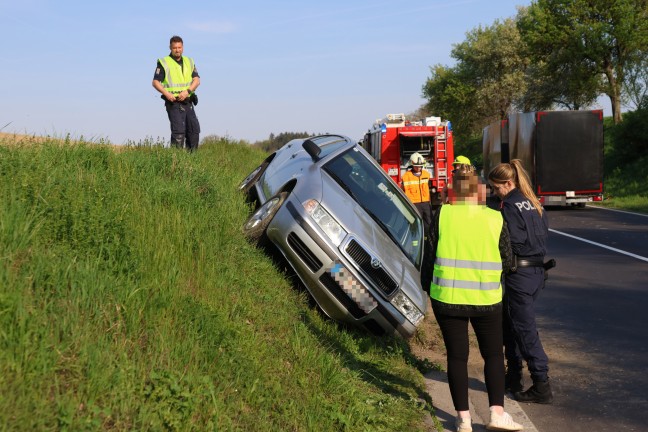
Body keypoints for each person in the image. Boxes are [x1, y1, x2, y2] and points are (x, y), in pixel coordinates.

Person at [428, 171, 522, 432]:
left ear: (452, 193)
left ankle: (463, 420)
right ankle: (496, 414)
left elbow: (430, 254)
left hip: (447, 298)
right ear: (479, 192)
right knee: (492, 355)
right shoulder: (495, 217)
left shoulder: (442, 216)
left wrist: (428, 286)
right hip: (487, 298)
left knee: (457, 357)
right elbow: (507, 258)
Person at [488, 159, 553, 404]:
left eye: (496, 188)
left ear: (508, 182)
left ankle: (541, 384)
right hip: (536, 274)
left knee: (524, 330)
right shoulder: (533, 203)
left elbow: (510, 243)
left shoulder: (509, 206)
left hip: (519, 275)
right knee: (512, 324)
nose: (495, 193)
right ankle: (513, 376)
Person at [152, 35, 201, 151]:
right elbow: (155, 82)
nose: (177, 50)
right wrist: (167, 94)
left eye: (179, 47)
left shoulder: (189, 61)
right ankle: (176, 162)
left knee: (194, 132)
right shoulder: (164, 62)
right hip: (173, 102)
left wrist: (188, 91)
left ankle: (191, 164)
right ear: (170, 47)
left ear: (183, 47)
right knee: (179, 133)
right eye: (175, 48)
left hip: (188, 102)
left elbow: (197, 80)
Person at [401, 152, 433, 235]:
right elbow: (403, 190)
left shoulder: (426, 174)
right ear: (412, 164)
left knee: (429, 223)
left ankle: (427, 240)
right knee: (415, 224)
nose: (419, 167)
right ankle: (415, 239)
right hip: (413, 204)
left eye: (420, 165)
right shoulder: (406, 176)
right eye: (417, 165)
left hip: (426, 203)